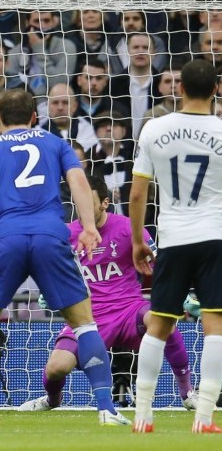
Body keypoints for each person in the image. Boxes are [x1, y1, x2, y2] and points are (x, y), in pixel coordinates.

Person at [0, 89, 128, 426]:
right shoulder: (55, 143)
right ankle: (106, 410)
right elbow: (78, 182)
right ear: (34, 116)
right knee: (84, 324)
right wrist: (87, 226)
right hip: (50, 236)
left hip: (7, 237)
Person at [18, 175, 195, 413]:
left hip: (129, 310)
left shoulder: (130, 230)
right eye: (78, 202)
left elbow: (160, 269)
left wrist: (178, 295)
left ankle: (187, 393)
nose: (83, 209)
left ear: (104, 203)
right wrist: (49, 293)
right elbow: (54, 276)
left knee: (163, 318)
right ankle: (52, 400)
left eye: (89, 202)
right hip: (87, 316)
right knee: (56, 368)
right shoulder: (64, 236)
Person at [130, 58, 222, 434]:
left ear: (179, 88)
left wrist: (138, 240)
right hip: (214, 237)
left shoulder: (155, 128)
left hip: (171, 238)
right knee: (215, 326)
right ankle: (204, 417)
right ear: (216, 90)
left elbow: (138, 194)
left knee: (159, 325)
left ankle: (143, 415)